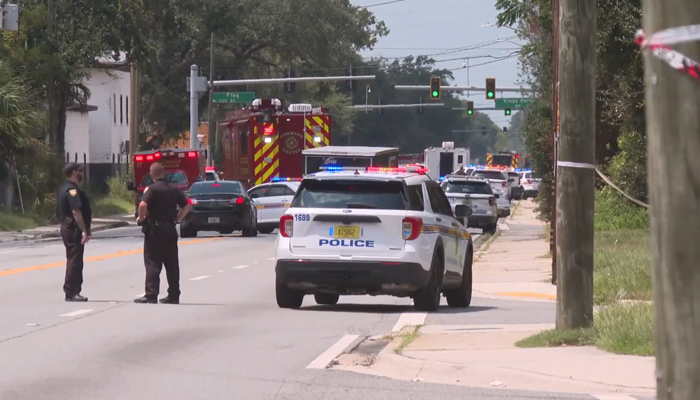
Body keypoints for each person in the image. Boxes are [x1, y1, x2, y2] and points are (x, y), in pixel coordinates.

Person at [134, 162, 191, 304]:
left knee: (153, 262)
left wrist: (141, 218)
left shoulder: (152, 189)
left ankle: (151, 294)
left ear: (151, 174)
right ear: (163, 173)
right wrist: (177, 219)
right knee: (172, 264)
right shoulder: (174, 189)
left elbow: (142, 204)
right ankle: (174, 295)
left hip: (155, 230)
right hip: (170, 229)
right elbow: (187, 206)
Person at [57, 162, 92, 302]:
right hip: (73, 229)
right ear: (73, 173)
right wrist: (84, 230)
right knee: (75, 261)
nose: (82, 173)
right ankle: (72, 291)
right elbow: (76, 212)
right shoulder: (72, 190)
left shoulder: (65, 188)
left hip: (69, 227)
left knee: (74, 259)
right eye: (80, 171)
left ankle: (72, 290)